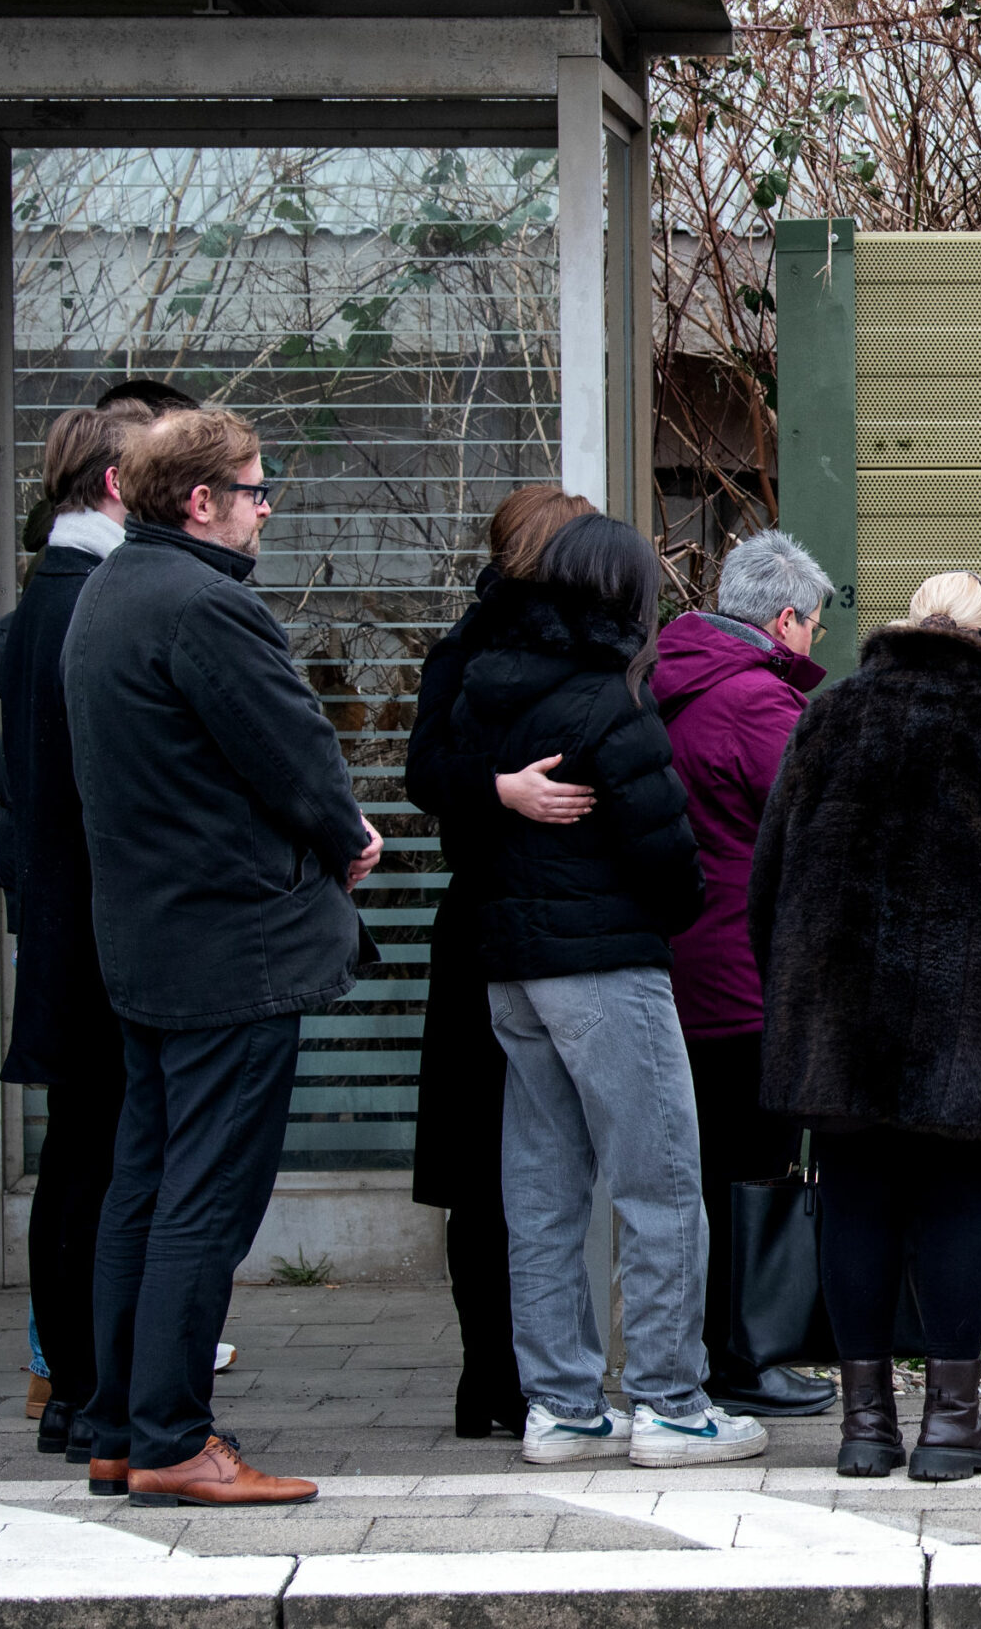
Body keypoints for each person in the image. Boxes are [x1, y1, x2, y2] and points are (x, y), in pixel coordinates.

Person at [67, 407, 383, 1507]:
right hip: (232, 946)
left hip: (148, 942)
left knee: (141, 1188)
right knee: (205, 1197)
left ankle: (117, 1424)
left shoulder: (110, 592)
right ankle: (171, 1436)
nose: (266, 506)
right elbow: (292, 748)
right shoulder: (208, 603)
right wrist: (349, 835)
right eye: (257, 488)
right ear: (201, 501)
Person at [751, 570, 981, 1483]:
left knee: (857, 1204)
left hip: (836, 1016)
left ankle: (864, 1427)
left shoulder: (828, 719)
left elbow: (771, 878)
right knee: (960, 1205)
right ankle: (952, 1425)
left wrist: (793, 992)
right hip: (975, 1021)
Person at [452, 512, 762, 1468]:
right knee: (661, 1182)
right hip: (607, 965)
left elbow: (452, 806)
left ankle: (562, 1408)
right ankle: (670, 1404)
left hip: (512, 965)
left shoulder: (480, 689)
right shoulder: (610, 701)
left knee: (541, 1194)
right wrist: (669, 910)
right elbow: (668, 853)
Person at [405, 485, 599, 1440]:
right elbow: (425, 776)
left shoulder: (487, 646)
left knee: (498, 1168)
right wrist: (502, 791)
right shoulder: (494, 650)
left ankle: (500, 1379)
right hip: (509, 925)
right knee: (503, 1165)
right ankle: (505, 1377)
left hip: (496, 922)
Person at [0, 401, 161, 1464]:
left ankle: (72, 1380)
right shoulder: (94, 597)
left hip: (62, 919)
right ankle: (90, 1386)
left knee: (79, 1155)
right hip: (99, 924)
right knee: (100, 1161)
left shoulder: (43, 595)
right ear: (114, 484)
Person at [652, 530, 838, 1419]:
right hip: (746, 972)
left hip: (692, 963)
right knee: (752, 1169)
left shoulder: (683, 681)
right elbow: (822, 825)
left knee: (709, 1167)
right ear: (787, 617)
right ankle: (746, 1355)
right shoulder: (757, 705)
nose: (819, 644)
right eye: (816, 624)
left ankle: (712, 1348)